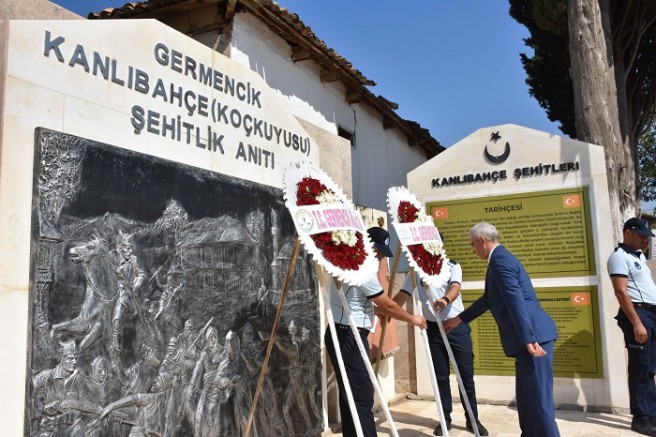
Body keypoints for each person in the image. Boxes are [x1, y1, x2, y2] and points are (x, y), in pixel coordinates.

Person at [443, 222, 559, 437]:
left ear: (482, 240)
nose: (473, 250)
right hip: (529, 339)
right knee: (527, 402)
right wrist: (459, 319)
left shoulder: (500, 261)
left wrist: (528, 338)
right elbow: (489, 299)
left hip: (534, 339)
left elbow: (515, 301)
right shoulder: (498, 260)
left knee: (538, 404)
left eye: (472, 245)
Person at [324, 226, 427, 437]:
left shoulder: (353, 264)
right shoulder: (361, 269)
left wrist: (376, 310)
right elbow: (387, 304)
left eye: (382, 254)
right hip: (348, 336)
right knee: (361, 394)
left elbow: (357, 301)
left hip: (347, 333)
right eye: (378, 252)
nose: (379, 257)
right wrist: (412, 318)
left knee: (351, 394)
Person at [394, 259, 488, 436]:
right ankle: (445, 419)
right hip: (433, 329)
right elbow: (402, 295)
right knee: (440, 377)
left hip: (456, 326)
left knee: (465, 376)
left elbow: (455, 287)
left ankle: (472, 419)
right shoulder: (415, 272)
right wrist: (387, 309)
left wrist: (445, 300)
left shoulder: (452, 266)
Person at [608, 217, 656, 436]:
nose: (646, 240)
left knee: (650, 368)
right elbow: (621, 292)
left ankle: (651, 413)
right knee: (640, 368)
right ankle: (641, 419)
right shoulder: (619, 257)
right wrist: (637, 322)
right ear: (628, 233)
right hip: (639, 314)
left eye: (647, 237)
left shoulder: (638, 257)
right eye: (642, 236)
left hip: (651, 314)